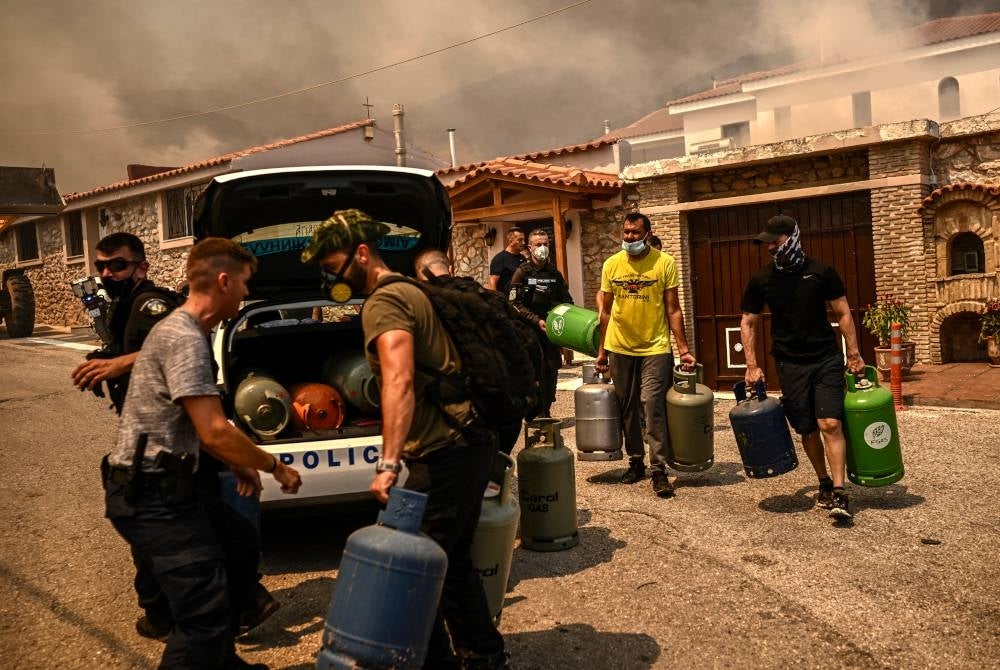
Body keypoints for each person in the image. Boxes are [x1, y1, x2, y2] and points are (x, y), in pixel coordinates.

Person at [303, 210, 509, 670]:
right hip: (470, 442)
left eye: (331, 264)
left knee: (416, 570)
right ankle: (484, 654)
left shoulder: (384, 302)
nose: (328, 276)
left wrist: (389, 463)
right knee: (450, 561)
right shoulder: (417, 290)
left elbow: (398, 382)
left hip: (442, 451)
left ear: (361, 253)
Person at [103, 238, 302, 670]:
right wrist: (273, 466)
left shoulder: (185, 330)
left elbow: (196, 423)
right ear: (225, 281)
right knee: (202, 615)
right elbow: (213, 430)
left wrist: (234, 463)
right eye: (246, 284)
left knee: (237, 551)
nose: (248, 294)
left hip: (175, 481)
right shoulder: (184, 338)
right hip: (150, 494)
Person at [740, 214, 865, 520]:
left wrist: (854, 353)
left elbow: (843, 313)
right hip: (789, 362)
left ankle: (839, 491)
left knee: (830, 423)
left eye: (775, 241)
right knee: (807, 428)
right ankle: (823, 480)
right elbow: (749, 321)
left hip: (825, 358)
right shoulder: (762, 279)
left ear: (793, 237)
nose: (770, 247)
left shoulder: (821, 272)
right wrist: (752, 365)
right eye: (767, 243)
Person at [595, 212, 697, 498]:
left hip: (655, 347)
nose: (629, 238)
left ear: (648, 235)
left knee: (652, 404)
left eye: (635, 233)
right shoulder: (611, 265)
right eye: (626, 232)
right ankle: (636, 461)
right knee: (627, 408)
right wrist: (602, 351)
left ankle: (659, 469)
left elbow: (673, 309)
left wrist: (684, 350)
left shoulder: (665, 263)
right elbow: (604, 312)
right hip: (620, 346)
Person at [71, 233, 178, 413]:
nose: (106, 273)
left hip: (164, 414)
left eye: (116, 265)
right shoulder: (125, 303)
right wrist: (110, 356)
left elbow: (179, 349)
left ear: (142, 268)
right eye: (101, 266)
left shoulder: (149, 304)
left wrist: (119, 364)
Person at [508, 228, 574, 418]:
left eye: (545, 244)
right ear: (529, 248)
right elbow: (513, 304)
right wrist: (536, 321)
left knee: (551, 370)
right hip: (529, 332)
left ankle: (546, 410)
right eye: (538, 245)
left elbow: (567, 301)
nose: (542, 248)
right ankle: (533, 414)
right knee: (533, 372)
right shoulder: (522, 273)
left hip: (551, 332)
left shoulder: (554, 273)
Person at [487, 227, 525, 295]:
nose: (523, 243)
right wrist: (496, 303)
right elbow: (492, 283)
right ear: (510, 241)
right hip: (506, 301)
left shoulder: (523, 258)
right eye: (520, 240)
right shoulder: (499, 258)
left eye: (523, 240)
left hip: (520, 300)